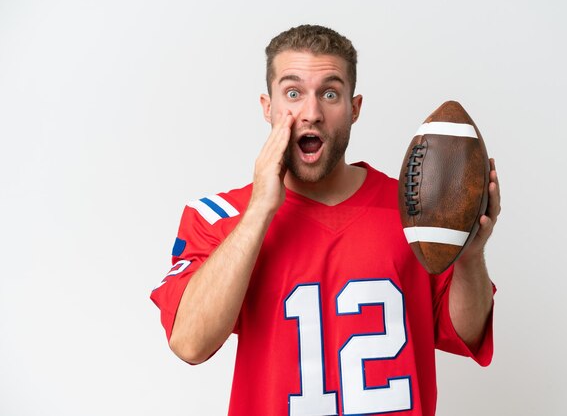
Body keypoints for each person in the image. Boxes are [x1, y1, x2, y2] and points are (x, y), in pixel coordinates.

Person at [151, 24, 500, 416]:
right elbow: (190, 343)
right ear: (268, 107)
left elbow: (465, 334)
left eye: (330, 93)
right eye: (294, 93)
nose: (312, 113)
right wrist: (261, 210)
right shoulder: (219, 217)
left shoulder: (411, 211)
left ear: (354, 107)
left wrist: (470, 256)